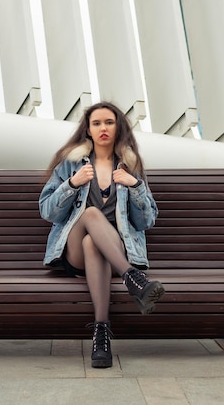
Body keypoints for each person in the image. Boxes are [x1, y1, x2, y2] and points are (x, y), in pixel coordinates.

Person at [39, 101, 165, 368]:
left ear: (118, 127)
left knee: (92, 243)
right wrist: (72, 184)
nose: (103, 128)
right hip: (74, 255)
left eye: (109, 122)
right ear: (88, 130)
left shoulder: (130, 166)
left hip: (113, 252)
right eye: (96, 123)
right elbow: (47, 211)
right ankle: (134, 279)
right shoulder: (71, 165)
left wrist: (135, 185)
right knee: (91, 215)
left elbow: (146, 221)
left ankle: (101, 334)